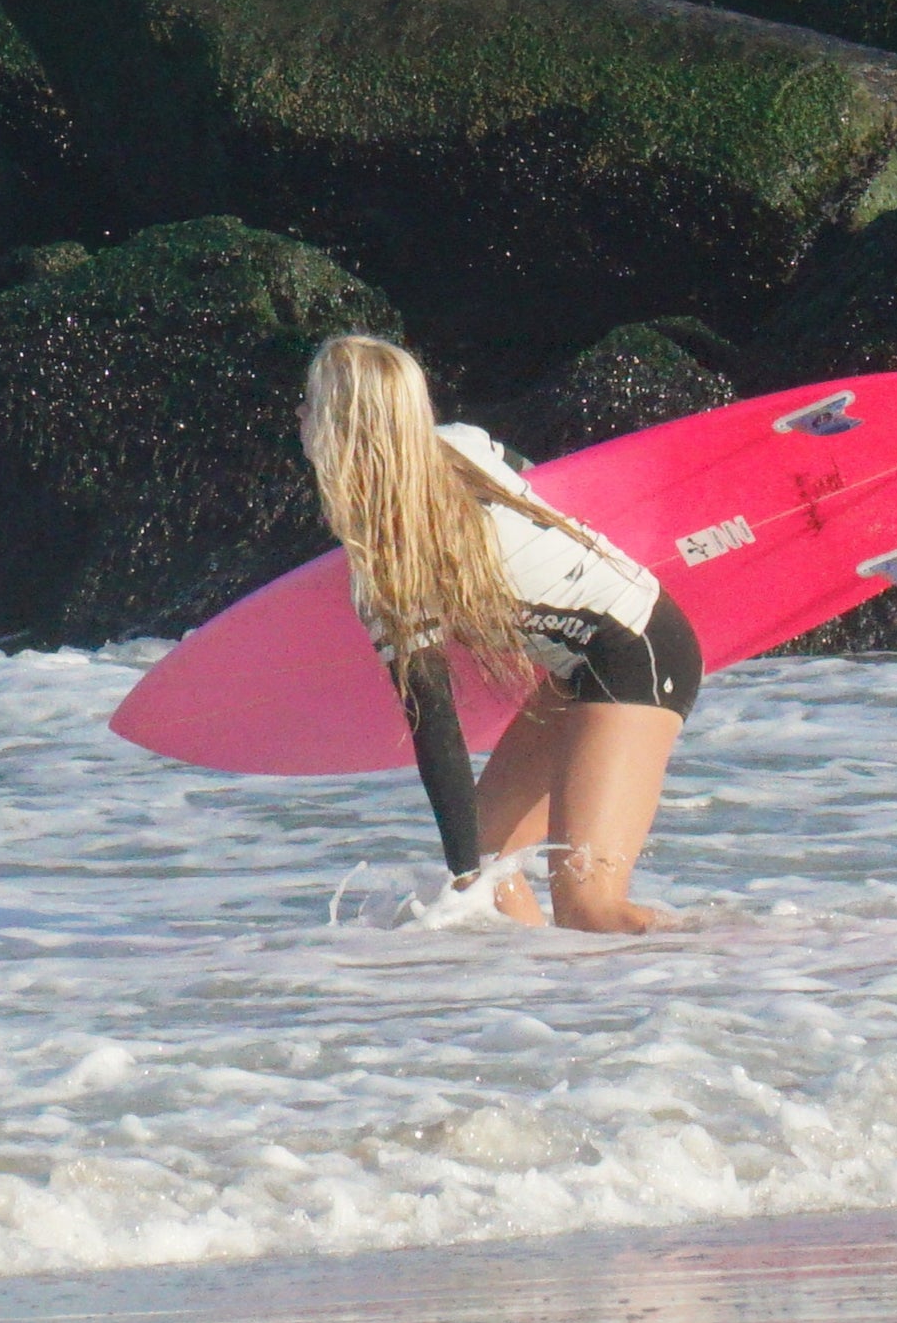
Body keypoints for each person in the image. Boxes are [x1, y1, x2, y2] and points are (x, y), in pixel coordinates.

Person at [299, 334, 700, 935]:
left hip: (638, 648)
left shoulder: (386, 569)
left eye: (307, 401)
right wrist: (468, 876)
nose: (297, 415)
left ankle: (747, 960)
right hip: (579, 666)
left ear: (335, 425)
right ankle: (551, 993)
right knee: (489, 859)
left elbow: (435, 728)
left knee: (591, 907)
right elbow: (549, 484)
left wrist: (461, 884)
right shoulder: (465, 444)